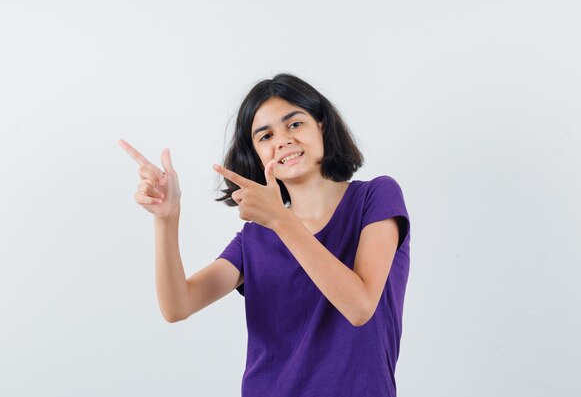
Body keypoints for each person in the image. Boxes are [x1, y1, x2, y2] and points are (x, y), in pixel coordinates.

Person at [118, 73, 410, 397]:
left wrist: (280, 219)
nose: (282, 140)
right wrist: (167, 219)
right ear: (257, 154)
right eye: (265, 135)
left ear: (322, 126)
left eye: (295, 124)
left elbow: (359, 307)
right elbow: (177, 306)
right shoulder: (254, 239)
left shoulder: (376, 197)